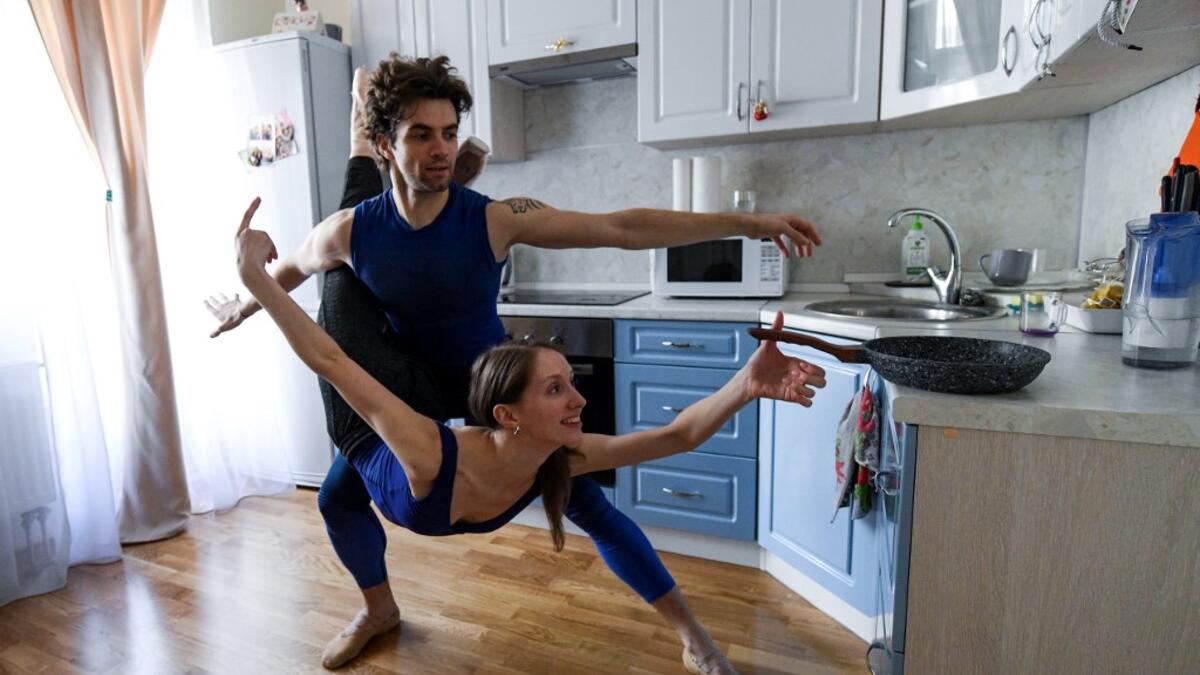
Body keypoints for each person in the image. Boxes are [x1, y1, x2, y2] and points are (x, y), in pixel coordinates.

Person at [207, 54, 824, 672]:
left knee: (587, 501)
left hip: (488, 385)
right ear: (385, 146)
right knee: (336, 499)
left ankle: (695, 639)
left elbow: (619, 227)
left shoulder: (494, 219)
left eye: (449, 133)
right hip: (406, 393)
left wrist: (748, 222)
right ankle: (379, 609)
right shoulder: (347, 232)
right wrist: (244, 305)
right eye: (421, 134)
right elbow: (288, 273)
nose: (441, 149)